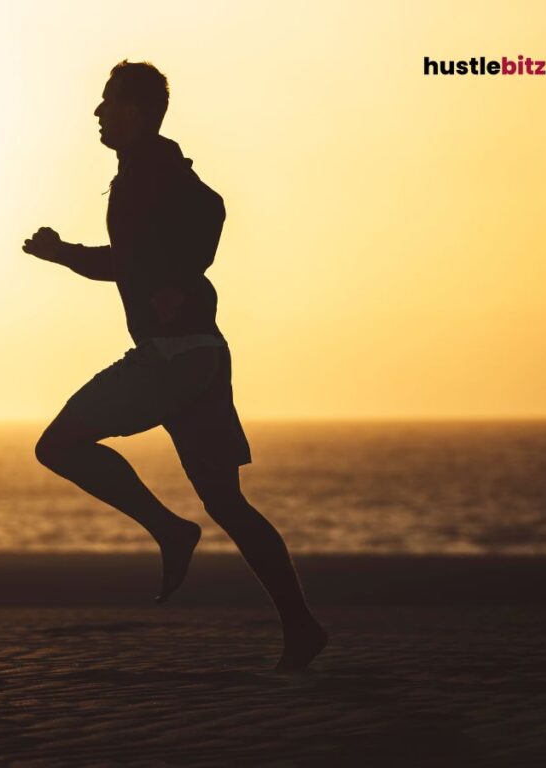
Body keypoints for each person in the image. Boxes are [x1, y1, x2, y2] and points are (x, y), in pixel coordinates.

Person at [22, 60, 327, 670]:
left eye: (107, 102)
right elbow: (151, 249)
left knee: (58, 446)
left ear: (133, 111)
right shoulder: (148, 170)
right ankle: (301, 626)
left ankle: (169, 530)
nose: (98, 113)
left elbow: (184, 226)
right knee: (228, 503)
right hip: (201, 358)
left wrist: (176, 278)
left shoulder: (152, 171)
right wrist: (165, 275)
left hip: (171, 360)